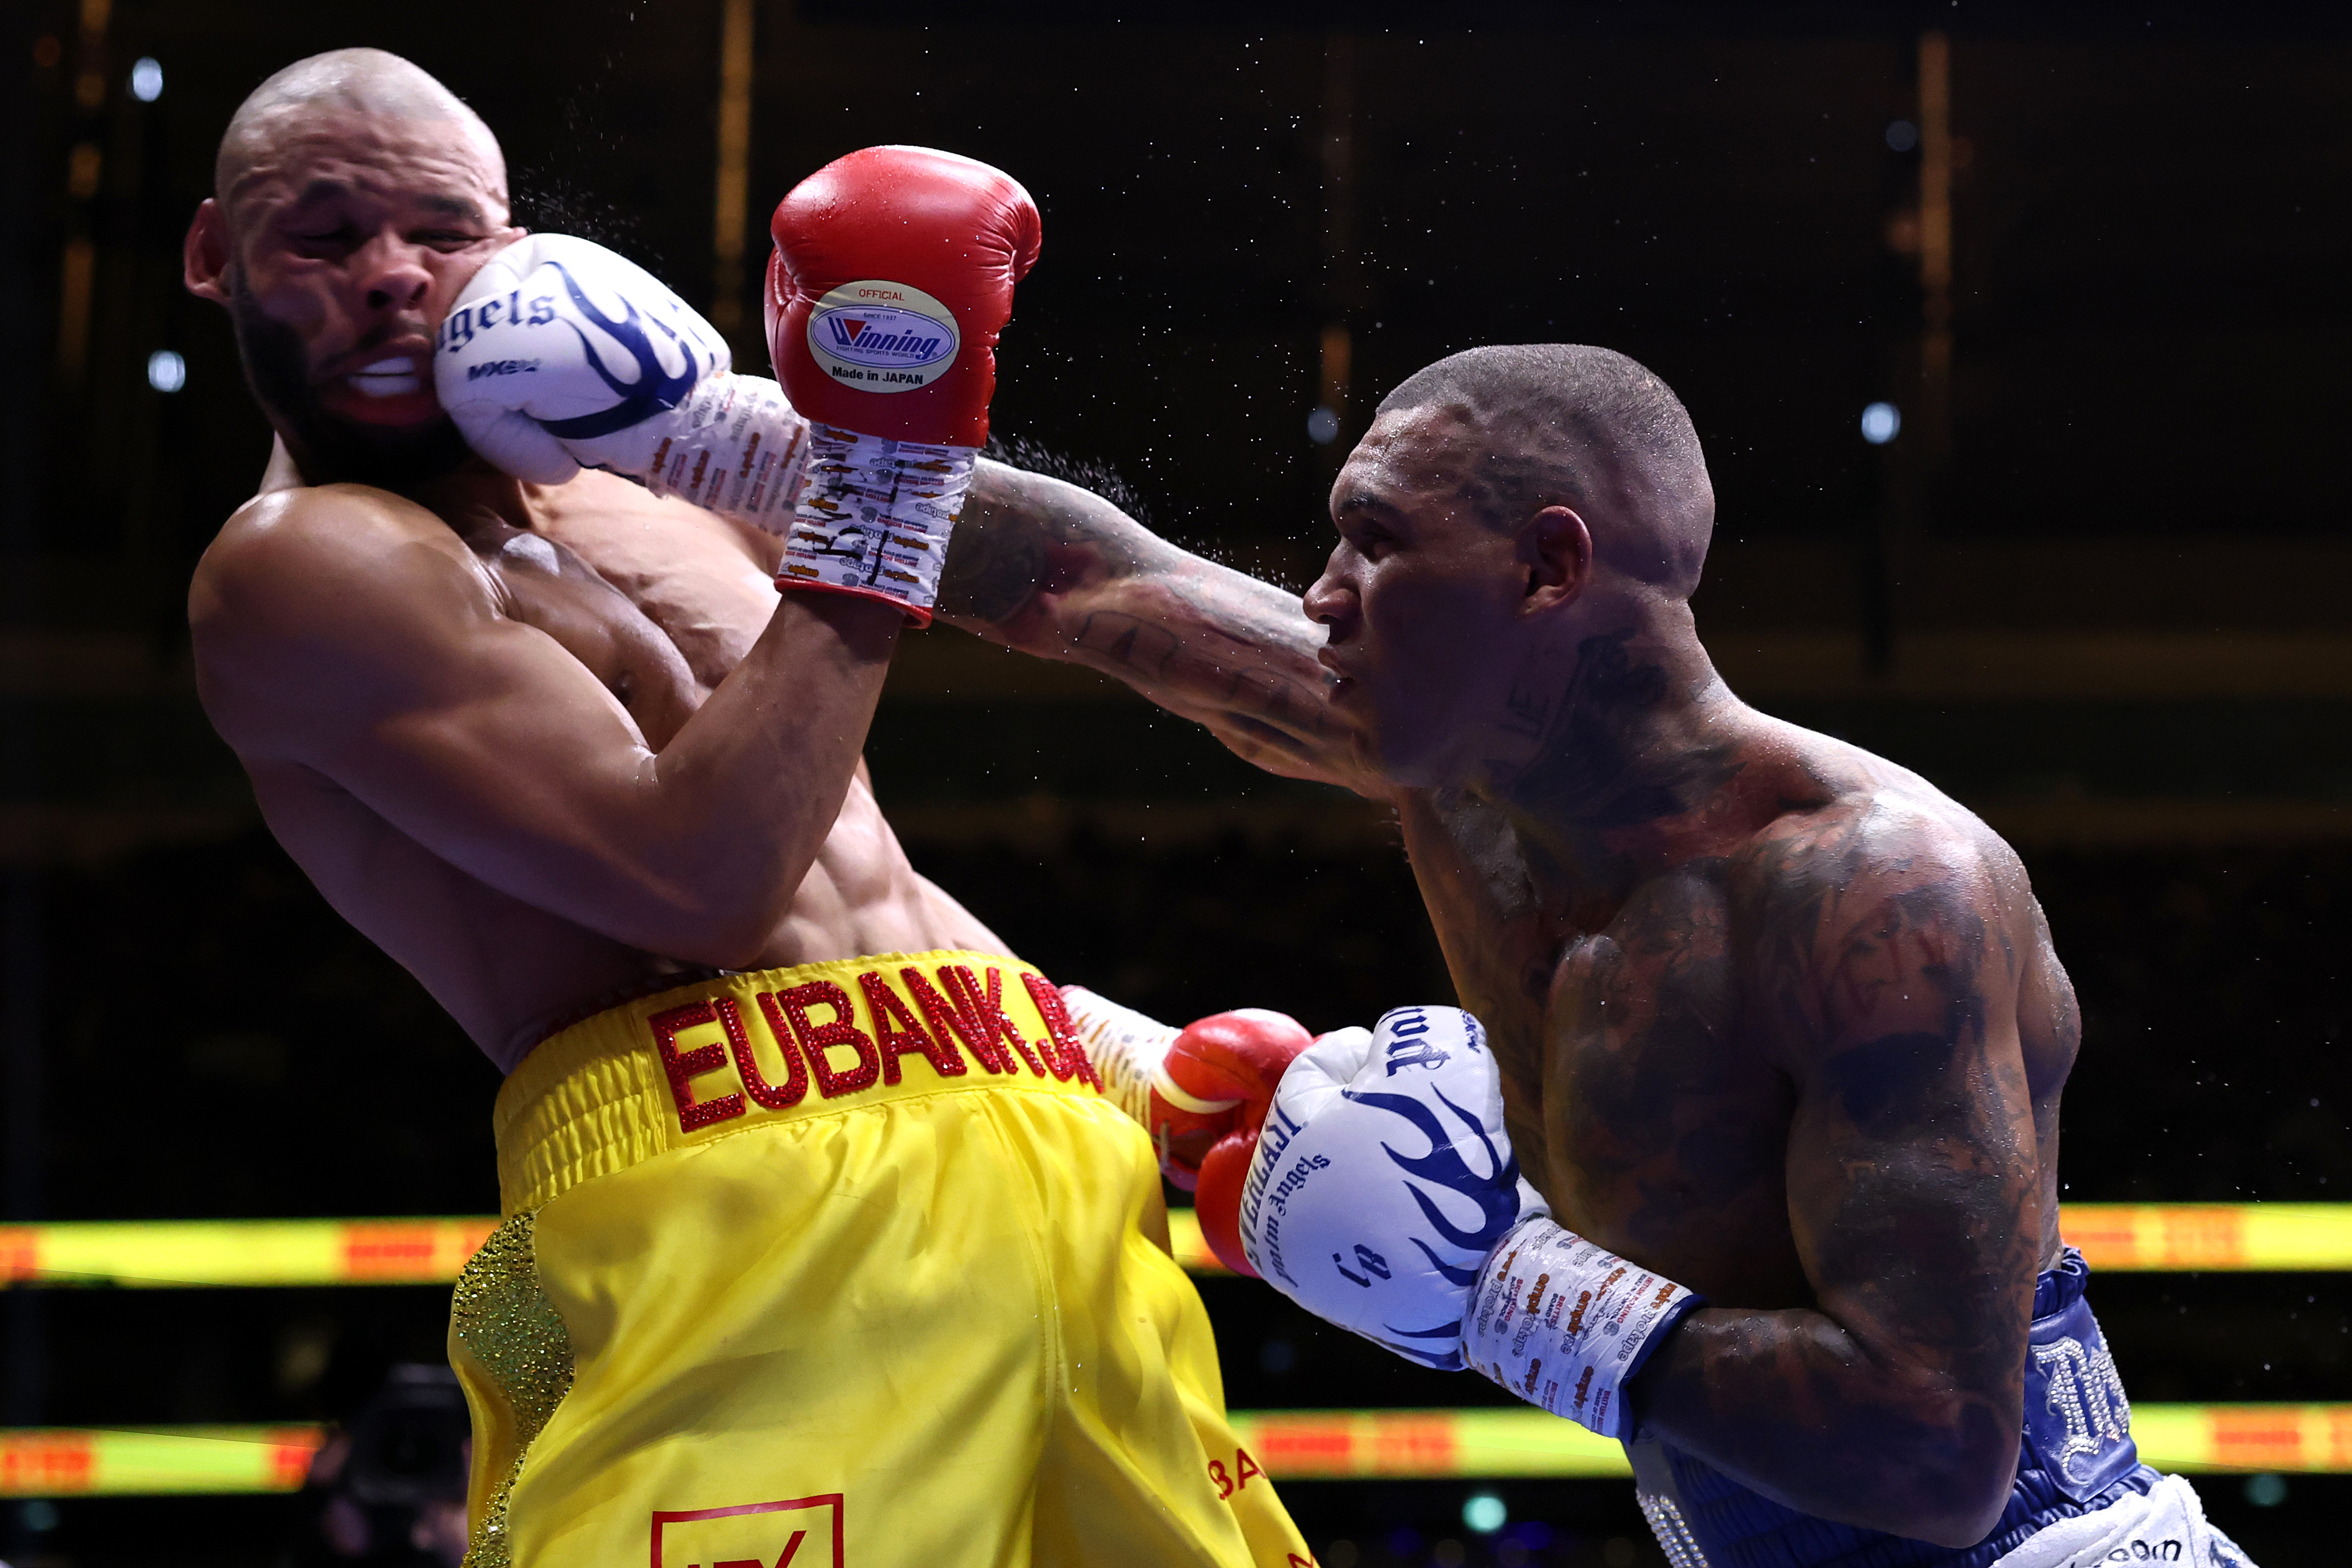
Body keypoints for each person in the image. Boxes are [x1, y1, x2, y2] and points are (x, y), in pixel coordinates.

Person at [182, 48, 1312, 1568]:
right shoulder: (297, 569)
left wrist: (1128, 1056)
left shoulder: (647, 465)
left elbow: (1019, 617)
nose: (390, 278)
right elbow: (705, 878)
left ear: (510, 248)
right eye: (320, 238)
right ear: (214, 259)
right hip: (735, 1192)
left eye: (439, 232)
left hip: (1036, 1153)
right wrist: (883, 476)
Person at [935, 344, 2253, 1567]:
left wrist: (1503, 1289)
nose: (1320, 595)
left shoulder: (1870, 895)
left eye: (1375, 543)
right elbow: (1089, 584)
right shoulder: (1446, 759)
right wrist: (754, 450)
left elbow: (1936, 1450)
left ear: (1543, 571)